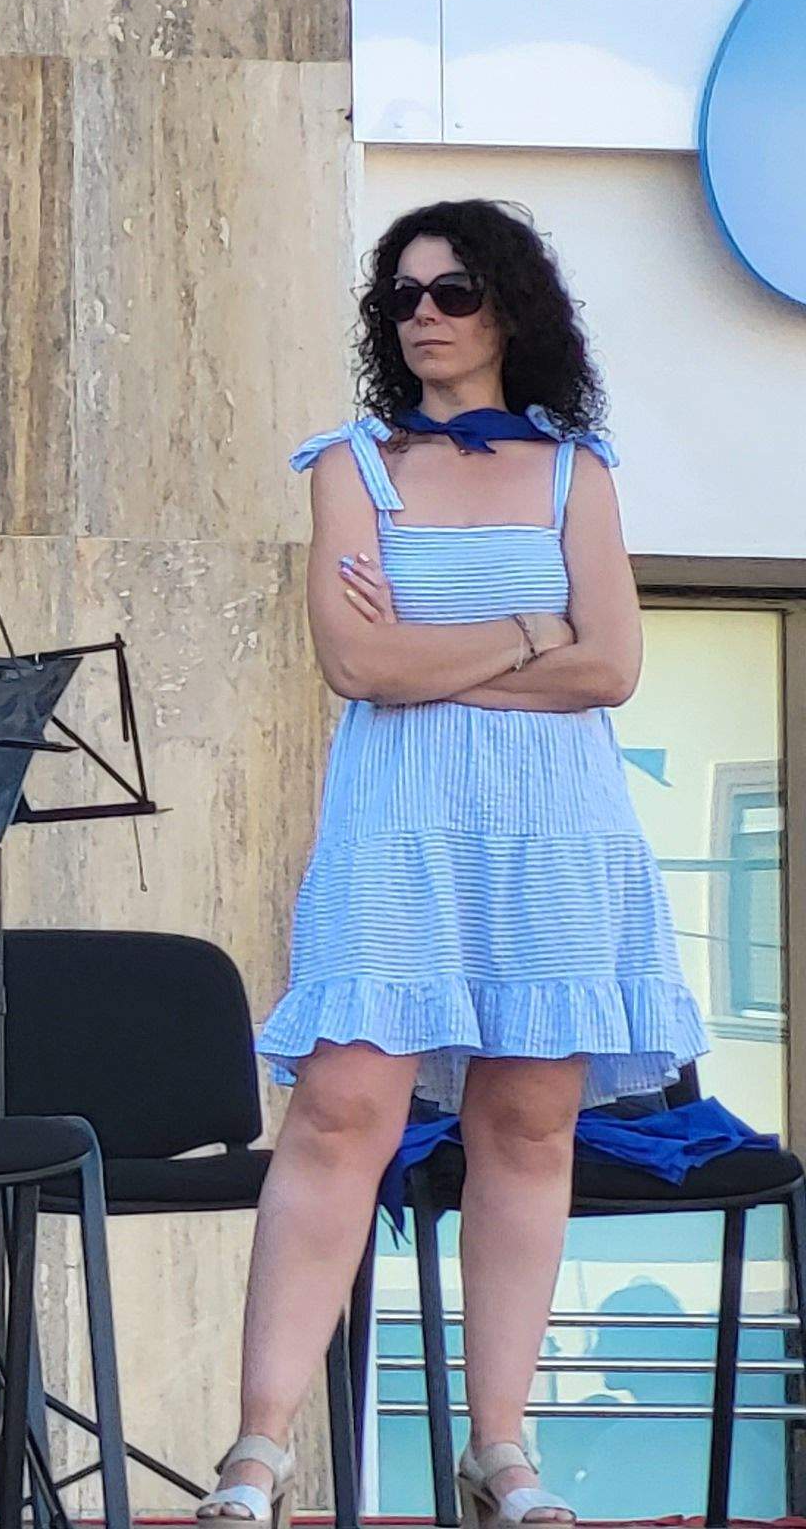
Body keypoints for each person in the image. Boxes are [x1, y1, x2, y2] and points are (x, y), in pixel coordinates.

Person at [202, 200, 705, 1529]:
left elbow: (616, 669)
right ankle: (259, 1446)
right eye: (403, 297)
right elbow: (359, 667)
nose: (423, 313)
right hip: (401, 837)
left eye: (453, 289)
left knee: (528, 1129)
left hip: (556, 839)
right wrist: (528, 626)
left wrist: (462, 648)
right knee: (340, 1112)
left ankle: (501, 1449)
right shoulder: (350, 465)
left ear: (510, 308)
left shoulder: (574, 471)